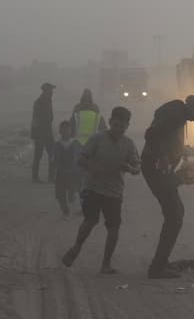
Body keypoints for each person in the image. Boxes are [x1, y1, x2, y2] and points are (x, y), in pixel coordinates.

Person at [62, 106, 140, 274]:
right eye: (116, 125)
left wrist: (130, 168)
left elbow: (136, 167)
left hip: (114, 191)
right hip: (93, 187)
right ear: (110, 122)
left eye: (122, 126)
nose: (119, 129)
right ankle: (76, 247)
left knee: (113, 228)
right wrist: (94, 168)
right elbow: (81, 159)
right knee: (90, 221)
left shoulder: (128, 144)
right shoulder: (97, 139)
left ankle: (106, 264)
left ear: (127, 126)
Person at [141, 95, 194, 279]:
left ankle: (161, 262)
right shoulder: (175, 113)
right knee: (175, 214)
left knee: (175, 213)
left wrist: (182, 151)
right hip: (156, 167)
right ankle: (158, 266)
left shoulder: (178, 113)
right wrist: (163, 157)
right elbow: (152, 133)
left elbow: (166, 137)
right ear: (193, 107)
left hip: (159, 167)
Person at [53, 120, 82, 217]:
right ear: (60, 131)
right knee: (60, 195)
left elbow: (83, 156)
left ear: (71, 131)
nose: (65, 132)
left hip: (75, 172)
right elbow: (52, 159)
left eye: (67, 129)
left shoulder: (76, 143)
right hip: (62, 172)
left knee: (79, 191)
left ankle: (82, 209)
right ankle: (65, 210)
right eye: (63, 129)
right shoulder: (57, 145)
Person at [31, 83, 56, 184]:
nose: (52, 92)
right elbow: (35, 120)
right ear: (45, 90)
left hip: (47, 132)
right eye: (51, 90)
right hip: (41, 133)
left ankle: (51, 177)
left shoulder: (48, 100)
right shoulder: (39, 102)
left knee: (52, 154)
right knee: (38, 156)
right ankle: (35, 177)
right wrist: (37, 135)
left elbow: (50, 118)